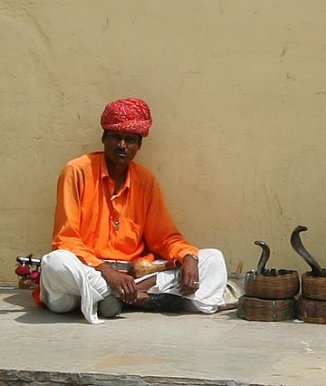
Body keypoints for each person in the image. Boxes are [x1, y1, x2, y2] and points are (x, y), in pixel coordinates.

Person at [37, 98, 228, 324]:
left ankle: (119, 298)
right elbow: (65, 239)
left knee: (212, 259)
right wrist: (107, 273)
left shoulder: (145, 180)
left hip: (134, 278)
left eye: (130, 140)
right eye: (116, 137)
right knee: (54, 264)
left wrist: (187, 256)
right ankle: (125, 297)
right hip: (89, 272)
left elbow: (164, 237)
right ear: (104, 138)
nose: (122, 145)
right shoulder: (76, 171)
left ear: (139, 145)